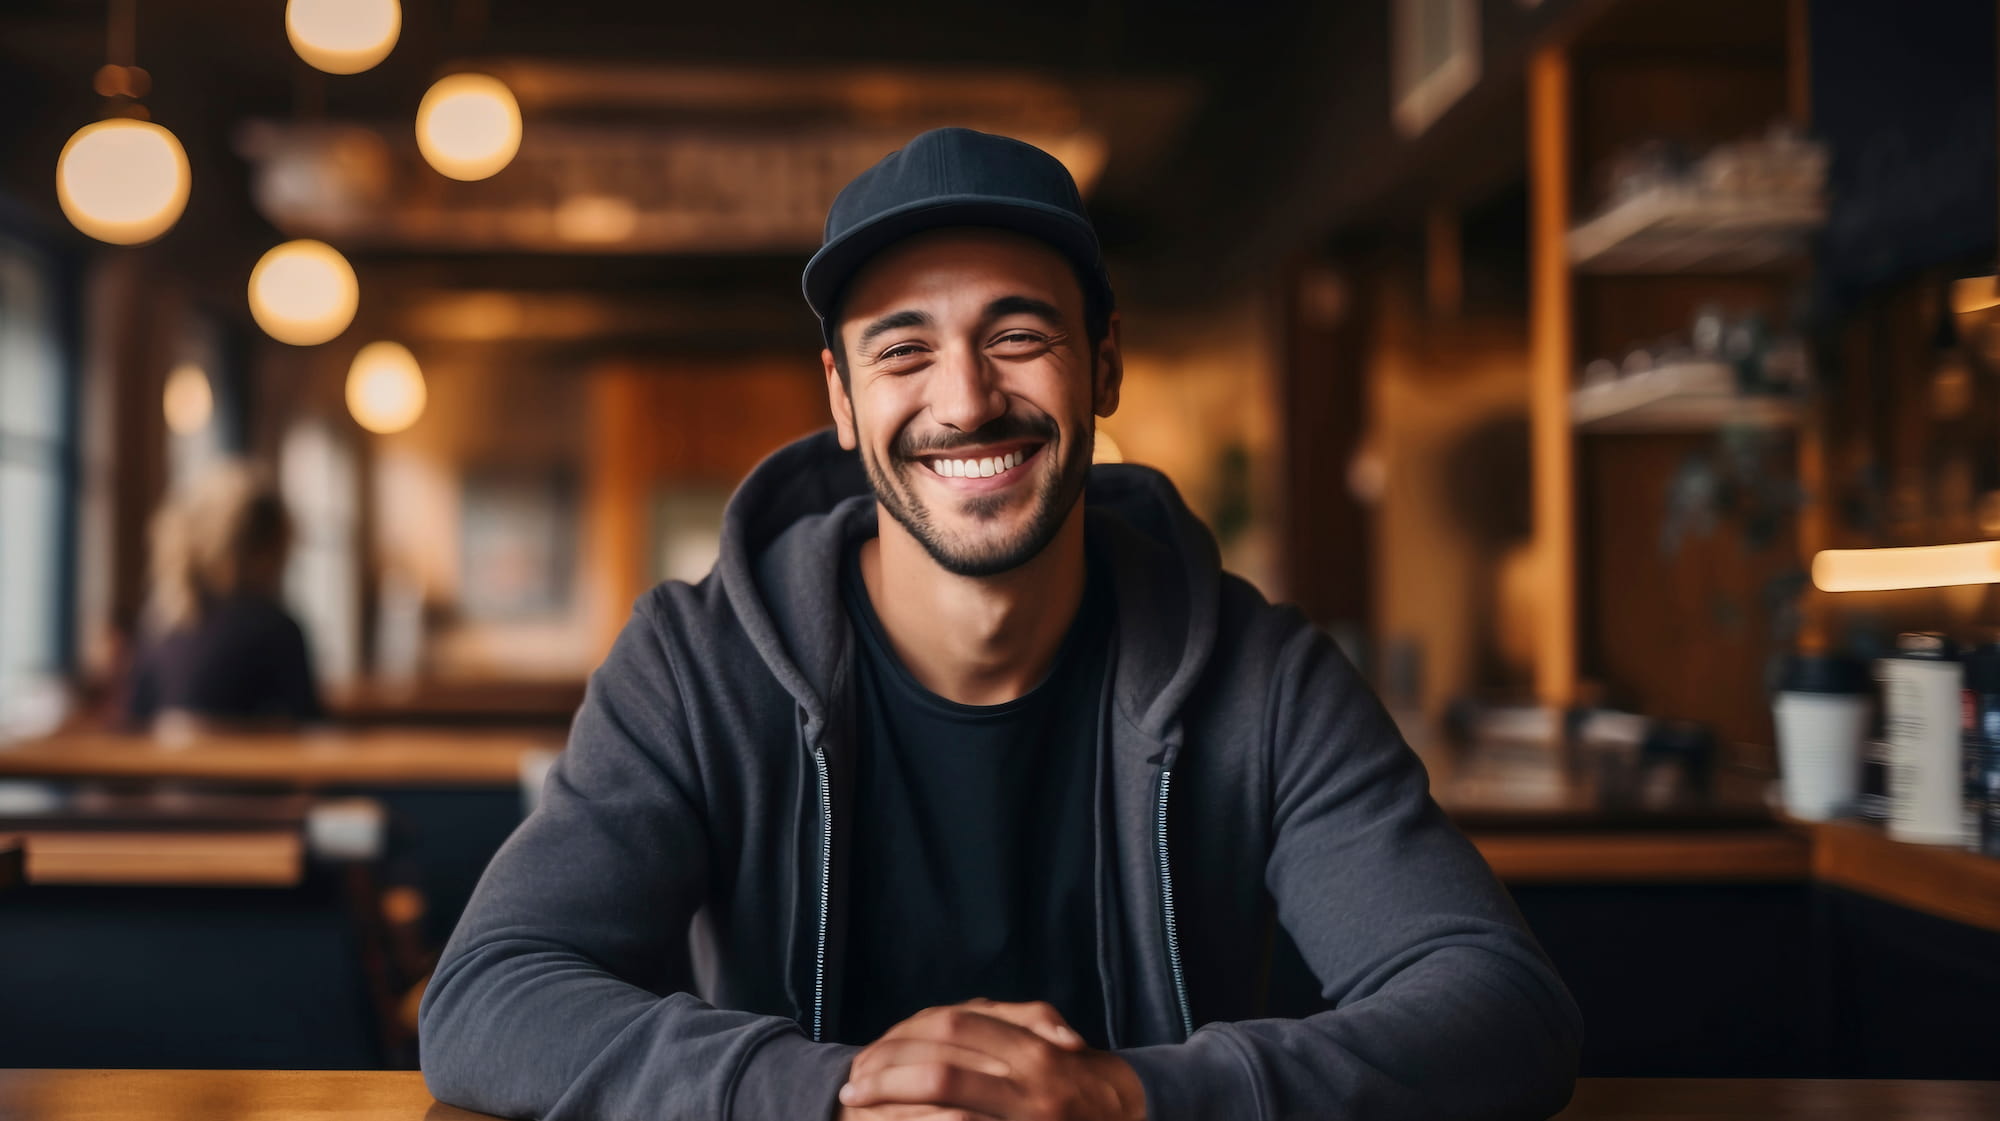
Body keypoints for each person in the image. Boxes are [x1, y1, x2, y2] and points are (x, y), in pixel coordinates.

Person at [420, 128, 1581, 1121]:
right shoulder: (694, 665)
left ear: (1103, 363)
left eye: (1018, 335)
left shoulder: (1260, 676)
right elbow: (487, 993)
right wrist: (828, 1090)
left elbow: (1498, 1003)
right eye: (902, 350)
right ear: (841, 399)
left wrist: (1131, 1094)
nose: (966, 398)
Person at [124, 461, 322, 731]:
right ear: (264, 550)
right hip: (249, 760)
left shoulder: (160, 624)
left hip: (162, 761)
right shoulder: (276, 629)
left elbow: (135, 721)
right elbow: (308, 728)